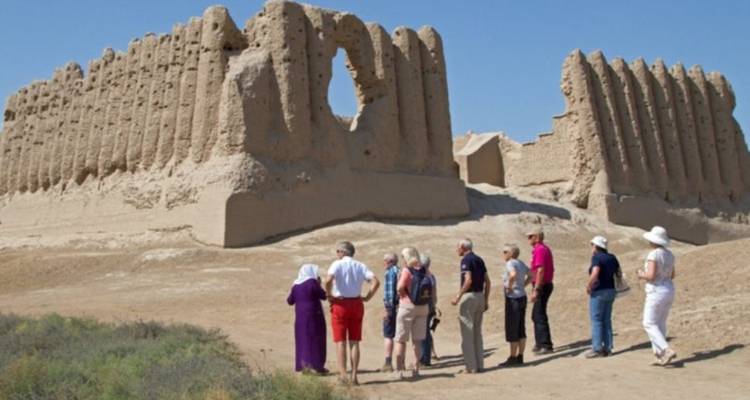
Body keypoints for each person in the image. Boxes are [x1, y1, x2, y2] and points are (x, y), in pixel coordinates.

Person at [325, 241, 380, 385]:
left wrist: (329, 294)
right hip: (356, 303)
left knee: (340, 341)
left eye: (338, 251)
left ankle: (343, 375)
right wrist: (368, 297)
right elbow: (376, 281)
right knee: (355, 341)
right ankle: (354, 375)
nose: (337, 254)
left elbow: (328, 279)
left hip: (340, 303)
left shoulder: (337, 264)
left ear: (343, 252)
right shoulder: (360, 265)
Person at [637, 226, 677, 366]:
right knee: (660, 323)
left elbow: (651, 276)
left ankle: (665, 350)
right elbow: (672, 274)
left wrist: (641, 274)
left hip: (656, 290)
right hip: (669, 289)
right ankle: (659, 355)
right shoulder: (670, 254)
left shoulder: (653, 255)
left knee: (649, 323)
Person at [393, 247, 433, 380]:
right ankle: (416, 369)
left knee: (401, 340)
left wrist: (404, 295)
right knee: (417, 341)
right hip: (423, 307)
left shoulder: (406, 270)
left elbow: (399, 287)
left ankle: (399, 370)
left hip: (407, 306)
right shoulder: (425, 269)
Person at [451, 238, 490, 373]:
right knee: (477, 334)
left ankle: (471, 367)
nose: (457, 249)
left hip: (470, 296)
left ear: (463, 247)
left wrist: (458, 296)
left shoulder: (466, 260)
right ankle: (480, 365)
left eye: (458, 247)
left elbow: (468, 280)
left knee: (467, 334)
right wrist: (486, 300)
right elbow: (488, 282)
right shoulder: (479, 259)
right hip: (480, 296)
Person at [287, 264, 328, 374]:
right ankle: (318, 366)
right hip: (314, 316)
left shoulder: (296, 285)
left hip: (300, 319)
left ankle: (304, 366)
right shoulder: (312, 282)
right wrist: (319, 284)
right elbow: (323, 296)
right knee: (316, 340)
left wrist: (292, 288)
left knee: (303, 340)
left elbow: (290, 301)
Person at [585, 236, 620, 358]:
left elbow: (595, 273)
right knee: (606, 319)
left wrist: (589, 286)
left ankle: (597, 348)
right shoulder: (612, 257)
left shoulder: (596, 257)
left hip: (599, 290)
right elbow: (618, 273)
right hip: (611, 290)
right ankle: (608, 347)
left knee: (596, 320)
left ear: (596, 246)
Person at [498, 244, 530, 367]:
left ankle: (512, 356)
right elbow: (531, 274)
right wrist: (523, 286)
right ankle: (520, 356)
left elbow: (513, 274)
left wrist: (510, 287)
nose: (503, 254)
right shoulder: (521, 263)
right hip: (522, 296)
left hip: (513, 298)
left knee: (512, 327)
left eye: (505, 251)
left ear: (511, 253)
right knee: (521, 327)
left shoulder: (510, 263)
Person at [527, 227, 555, 354]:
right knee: (536, 314)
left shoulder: (540, 250)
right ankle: (540, 343)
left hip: (542, 285)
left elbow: (540, 270)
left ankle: (545, 344)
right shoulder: (540, 250)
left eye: (530, 236)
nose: (528, 239)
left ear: (537, 237)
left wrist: (537, 289)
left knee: (539, 314)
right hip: (542, 284)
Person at [418, 253, 441, 367]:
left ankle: (424, 359)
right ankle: (427, 356)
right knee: (426, 332)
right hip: (431, 306)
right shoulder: (431, 276)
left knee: (423, 333)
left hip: (424, 306)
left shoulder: (423, 276)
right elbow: (434, 294)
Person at [380, 252, 400, 372]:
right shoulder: (400, 271)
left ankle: (388, 363)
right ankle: (400, 363)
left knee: (388, 335)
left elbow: (389, 294)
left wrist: (387, 310)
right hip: (402, 306)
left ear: (389, 261)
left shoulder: (390, 273)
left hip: (392, 308)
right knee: (400, 337)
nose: (383, 263)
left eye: (384, 260)